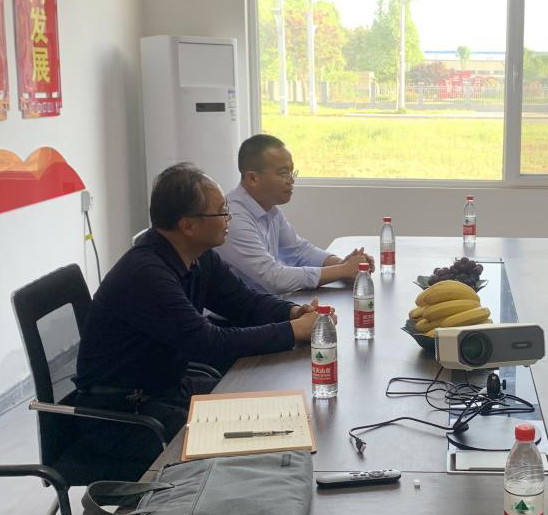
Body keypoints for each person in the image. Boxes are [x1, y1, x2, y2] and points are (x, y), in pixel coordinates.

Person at [75, 163, 325, 464]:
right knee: (253, 450)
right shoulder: (147, 274)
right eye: (221, 212)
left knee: (275, 411)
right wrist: (293, 331)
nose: (229, 218)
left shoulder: (198, 256)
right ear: (188, 226)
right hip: (125, 416)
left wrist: (293, 312)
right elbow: (209, 343)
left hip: (166, 390)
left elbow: (243, 302)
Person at [218, 134, 372, 294]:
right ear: (252, 178)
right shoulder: (233, 218)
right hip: (238, 310)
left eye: (292, 172)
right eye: (283, 173)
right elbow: (274, 278)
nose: (291, 180)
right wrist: (343, 271)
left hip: (266, 304)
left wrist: (344, 264)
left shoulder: (270, 209)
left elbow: (299, 251)